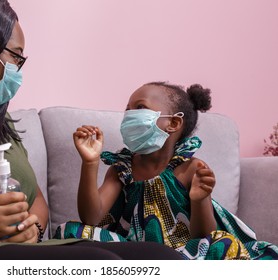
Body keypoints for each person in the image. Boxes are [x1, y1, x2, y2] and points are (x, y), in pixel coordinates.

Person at [0, 0, 182, 260]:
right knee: (96, 264)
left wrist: (33, 227)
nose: (18, 68)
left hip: (19, 251)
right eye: (15, 56)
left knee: (162, 259)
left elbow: (36, 200)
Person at [54, 82, 278, 260]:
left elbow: (204, 237)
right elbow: (91, 218)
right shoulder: (121, 168)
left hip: (182, 253)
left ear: (173, 123)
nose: (129, 115)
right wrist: (90, 163)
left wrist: (200, 200)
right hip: (132, 250)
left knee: (222, 244)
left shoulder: (191, 169)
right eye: (127, 109)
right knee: (71, 231)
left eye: (139, 108)